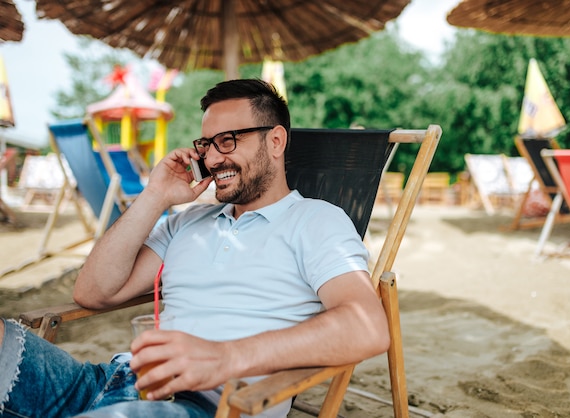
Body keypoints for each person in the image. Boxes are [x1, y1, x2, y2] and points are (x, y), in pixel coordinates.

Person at [0, 79, 389, 418]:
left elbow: (367, 326)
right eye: (206, 144)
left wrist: (227, 357)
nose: (213, 158)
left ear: (275, 140)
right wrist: (155, 196)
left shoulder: (317, 221)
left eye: (227, 141)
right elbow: (93, 292)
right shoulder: (188, 221)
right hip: (116, 380)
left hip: (205, 406)